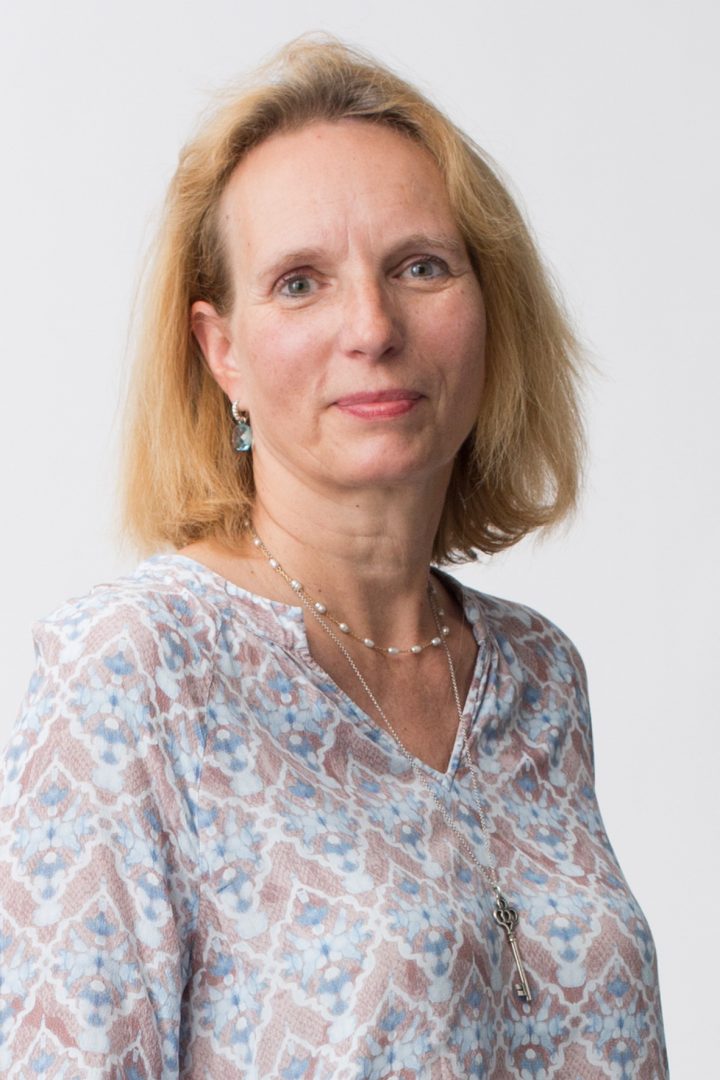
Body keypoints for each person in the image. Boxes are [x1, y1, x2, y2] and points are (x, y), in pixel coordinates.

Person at [0, 35, 668, 1079]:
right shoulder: (132, 672)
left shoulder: (538, 678)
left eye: (420, 266)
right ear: (222, 350)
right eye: (301, 282)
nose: (372, 324)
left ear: (489, 310)